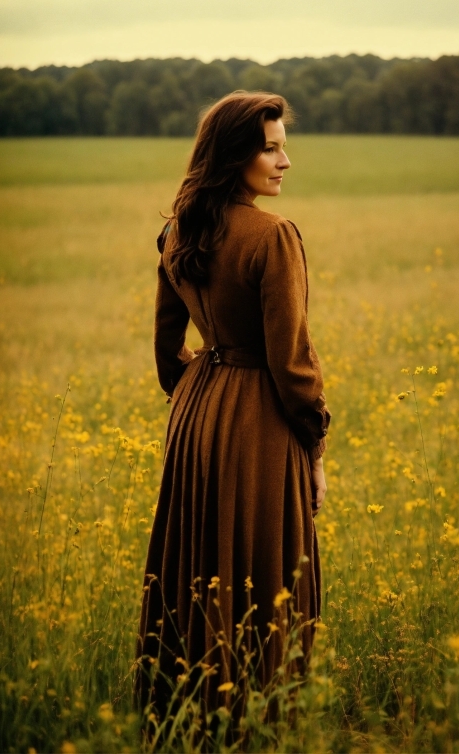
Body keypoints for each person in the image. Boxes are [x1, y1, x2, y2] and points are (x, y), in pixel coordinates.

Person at [135, 91, 330, 717]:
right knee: (264, 573)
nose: (285, 161)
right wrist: (317, 445)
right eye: (271, 148)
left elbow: (169, 348)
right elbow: (291, 363)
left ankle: (186, 710)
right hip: (259, 423)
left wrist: (200, 386)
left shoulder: (179, 230)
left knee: (197, 566)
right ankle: (259, 716)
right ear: (234, 156)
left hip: (195, 416)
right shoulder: (273, 236)